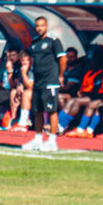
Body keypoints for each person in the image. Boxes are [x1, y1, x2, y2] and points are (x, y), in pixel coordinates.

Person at [22, 16, 66, 152]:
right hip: (38, 82)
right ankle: (38, 139)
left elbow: (62, 59)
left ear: (46, 26)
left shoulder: (53, 41)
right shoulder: (34, 42)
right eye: (37, 26)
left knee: (51, 110)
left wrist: (60, 75)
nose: (39, 28)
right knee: (37, 111)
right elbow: (29, 57)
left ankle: (52, 141)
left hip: (50, 82)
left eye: (41, 25)